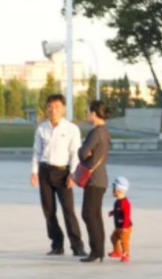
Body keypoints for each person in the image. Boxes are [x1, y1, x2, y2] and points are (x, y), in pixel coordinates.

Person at [31, 94, 86, 257]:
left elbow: (75, 154)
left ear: (63, 109)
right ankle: (57, 244)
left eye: (57, 107)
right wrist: (34, 171)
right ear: (47, 108)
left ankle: (77, 246)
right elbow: (37, 152)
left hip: (63, 173)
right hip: (45, 171)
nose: (53, 110)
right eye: (50, 107)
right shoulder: (42, 129)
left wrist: (73, 175)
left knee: (68, 210)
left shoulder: (71, 129)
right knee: (48, 210)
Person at [77, 100, 111, 263]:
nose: (87, 114)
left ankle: (96, 250)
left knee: (89, 214)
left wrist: (82, 152)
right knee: (95, 215)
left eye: (89, 111)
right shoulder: (105, 131)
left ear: (94, 113)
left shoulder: (96, 132)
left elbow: (83, 152)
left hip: (93, 179)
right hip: (101, 178)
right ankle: (98, 250)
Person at [107, 176, 132, 262]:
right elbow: (118, 210)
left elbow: (127, 215)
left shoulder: (125, 203)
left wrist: (125, 228)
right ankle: (117, 252)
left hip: (125, 227)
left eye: (113, 188)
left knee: (124, 241)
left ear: (118, 190)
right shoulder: (117, 201)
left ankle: (126, 254)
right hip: (118, 226)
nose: (112, 191)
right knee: (113, 238)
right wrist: (112, 212)